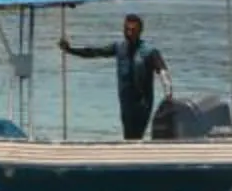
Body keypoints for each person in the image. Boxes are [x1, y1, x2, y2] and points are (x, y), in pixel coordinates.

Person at [61, 12, 165, 140]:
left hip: (143, 103)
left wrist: (168, 93)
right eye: (126, 29)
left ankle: (133, 156)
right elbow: (94, 52)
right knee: (128, 136)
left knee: (136, 135)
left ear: (140, 31)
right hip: (126, 101)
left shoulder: (149, 51)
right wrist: (70, 50)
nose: (129, 33)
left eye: (133, 30)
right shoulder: (119, 48)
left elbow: (162, 71)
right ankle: (130, 157)